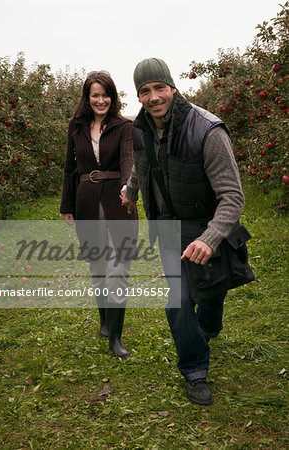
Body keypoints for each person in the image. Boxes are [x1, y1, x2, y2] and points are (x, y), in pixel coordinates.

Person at [120, 58, 244, 405]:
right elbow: (143, 166)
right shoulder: (141, 128)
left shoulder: (207, 130)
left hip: (206, 225)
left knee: (211, 289)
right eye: (145, 91)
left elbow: (232, 196)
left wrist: (210, 237)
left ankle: (208, 328)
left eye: (159, 87)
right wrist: (131, 192)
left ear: (173, 87)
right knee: (178, 301)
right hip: (167, 228)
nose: (153, 96)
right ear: (139, 97)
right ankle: (194, 370)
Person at [60, 70, 138, 358]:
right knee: (98, 268)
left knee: (118, 270)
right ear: (87, 97)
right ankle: (105, 320)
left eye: (106, 94)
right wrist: (67, 206)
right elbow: (70, 168)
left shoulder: (122, 127)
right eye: (95, 95)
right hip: (87, 203)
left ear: (112, 97)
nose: (101, 100)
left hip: (119, 202)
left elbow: (129, 158)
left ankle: (115, 338)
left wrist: (129, 187)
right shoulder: (76, 126)